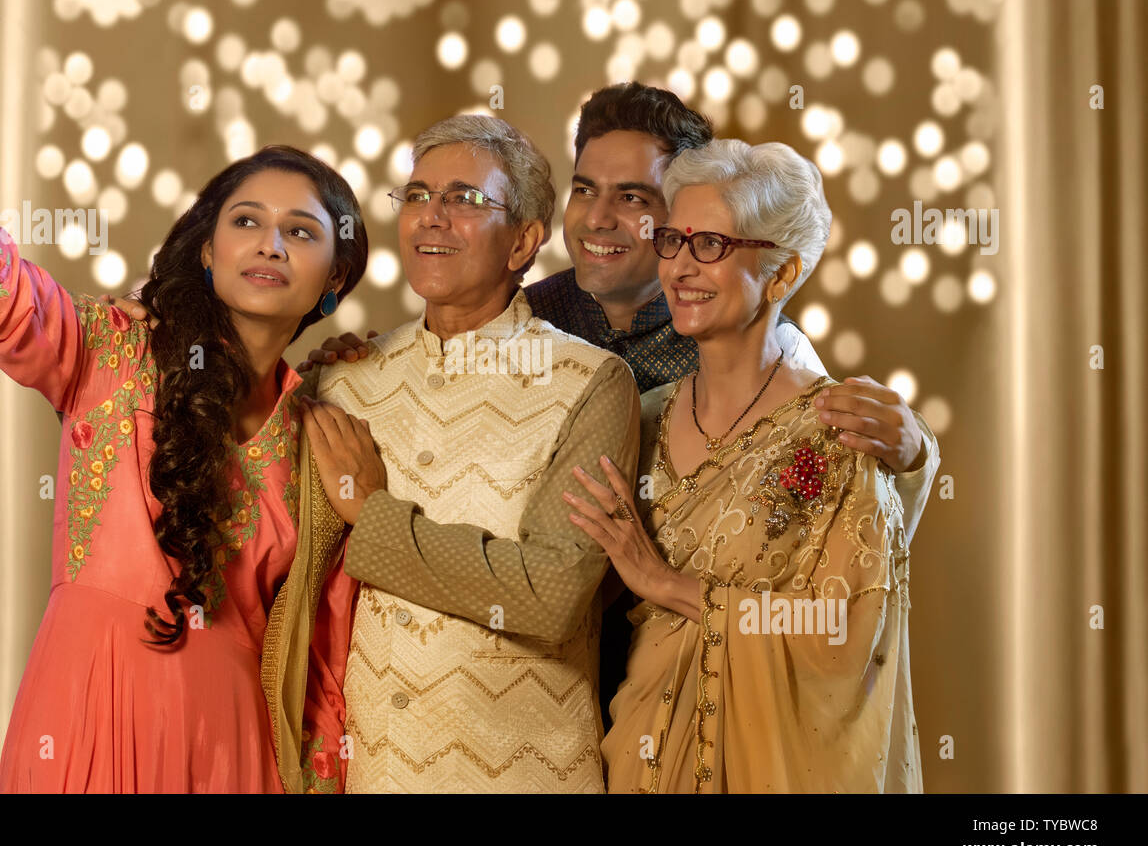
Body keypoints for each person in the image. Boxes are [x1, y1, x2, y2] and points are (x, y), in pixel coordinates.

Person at [297, 82, 940, 733]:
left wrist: (913, 455)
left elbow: (834, 547)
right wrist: (363, 359)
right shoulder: (529, 311)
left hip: (699, 688)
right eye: (585, 190)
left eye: (632, 197)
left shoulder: (763, 349)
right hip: (535, 696)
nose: (597, 218)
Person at [0, 5, 367, 792]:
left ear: (335, 278)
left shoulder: (323, 435)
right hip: (84, 711)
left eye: (302, 232)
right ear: (207, 251)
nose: (270, 243)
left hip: (234, 746)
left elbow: (327, 664)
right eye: (247, 221)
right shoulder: (114, 348)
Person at [296, 114, 640, 791]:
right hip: (367, 775)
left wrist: (374, 515)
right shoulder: (343, 379)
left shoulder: (590, 383)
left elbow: (553, 595)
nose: (431, 218)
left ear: (523, 241)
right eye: (418, 195)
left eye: (464, 200)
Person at [567, 138, 922, 792]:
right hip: (638, 760)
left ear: (783, 274)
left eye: (712, 246)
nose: (678, 267)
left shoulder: (841, 439)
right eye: (673, 240)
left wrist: (666, 584)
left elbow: (840, 632)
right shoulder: (636, 419)